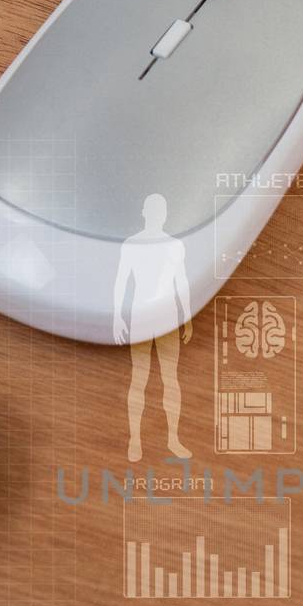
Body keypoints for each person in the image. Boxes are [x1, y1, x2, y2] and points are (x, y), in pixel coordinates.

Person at [113, 193, 193, 462]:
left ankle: (173, 439)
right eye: (154, 209)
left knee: (170, 379)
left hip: (168, 316)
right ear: (145, 212)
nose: (158, 214)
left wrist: (187, 316)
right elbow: (122, 282)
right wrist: (117, 317)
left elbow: (181, 281)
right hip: (140, 315)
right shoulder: (132, 244)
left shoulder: (174, 245)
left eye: (162, 210)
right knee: (140, 378)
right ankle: (135, 441)